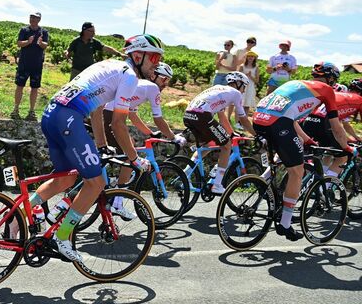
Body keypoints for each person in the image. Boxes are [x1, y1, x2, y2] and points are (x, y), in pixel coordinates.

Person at [28, 34, 164, 263]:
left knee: (66, 178)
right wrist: (135, 159)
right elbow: (118, 124)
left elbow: (97, 109)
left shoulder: (110, 65)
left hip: (52, 114)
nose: (156, 64)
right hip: (68, 118)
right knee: (96, 183)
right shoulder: (129, 76)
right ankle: (62, 236)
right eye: (154, 58)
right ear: (138, 56)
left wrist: (101, 145)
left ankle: (18, 215)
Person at [253, 62, 353, 241]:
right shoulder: (327, 90)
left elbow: (292, 119)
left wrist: (307, 140)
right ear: (331, 79)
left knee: (286, 154)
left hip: (259, 119)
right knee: (297, 171)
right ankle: (285, 224)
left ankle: (263, 183)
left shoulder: (296, 84)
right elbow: (336, 127)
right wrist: (346, 148)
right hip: (278, 124)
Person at [101, 62, 187, 218]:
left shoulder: (141, 86)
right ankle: (117, 203)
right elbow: (158, 119)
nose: (165, 84)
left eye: (168, 80)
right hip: (108, 117)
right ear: (154, 76)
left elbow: (133, 115)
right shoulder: (152, 88)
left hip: (105, 115)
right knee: (130, 154)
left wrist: (150, 133)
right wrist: (174, 137)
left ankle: (112, 182)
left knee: (128, 148)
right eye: (164, 79)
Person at [183, 72, 257, 194]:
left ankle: (185, 174)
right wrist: (256, 134)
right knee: (227, 146)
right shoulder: (236, 93)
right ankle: (217, 184)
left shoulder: (218, 90)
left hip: (188, 115)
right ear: (238, 83)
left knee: (209, 144)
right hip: (202, 116)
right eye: (244, 86)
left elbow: (222, 118)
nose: (244, 91)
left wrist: (231, 133)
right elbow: (243, 119)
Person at [299, 78, 362, 184]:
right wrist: (352, 140)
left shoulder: (340, 95)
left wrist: (353, 138)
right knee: (342, 157)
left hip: (309, 120)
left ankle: (316, 181)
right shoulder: (358, 100)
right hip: (324, 123)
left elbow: (342, 125)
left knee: (328, 152)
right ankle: (323, 188)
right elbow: (340, 126)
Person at [11, 12, 49, 121]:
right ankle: (16, 109)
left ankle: (31, 111)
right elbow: (19, 43)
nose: (32, 19)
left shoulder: (43, 32)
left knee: (34, 88)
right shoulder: (24, 30)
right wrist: (28, 41)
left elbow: (45, 45)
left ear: (39, 19)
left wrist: (40, 43)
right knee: (19, 86)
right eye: (31, 17)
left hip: (37, 64)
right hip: (24, 63)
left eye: (35, 18)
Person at [238, 50, 260, 124]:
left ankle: (244, 121)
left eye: (252, 56)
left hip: (250, 87)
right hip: (242, 86)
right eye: (249, 56)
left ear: (254, 58)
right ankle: (238, 121)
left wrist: (250, 76)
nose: (250, 58)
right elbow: (237, 77)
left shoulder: (256, 67)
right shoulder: (242, 66)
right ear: (246, 57)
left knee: (247, 105)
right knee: (240, 103)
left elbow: (257, 80)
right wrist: (245, 76)